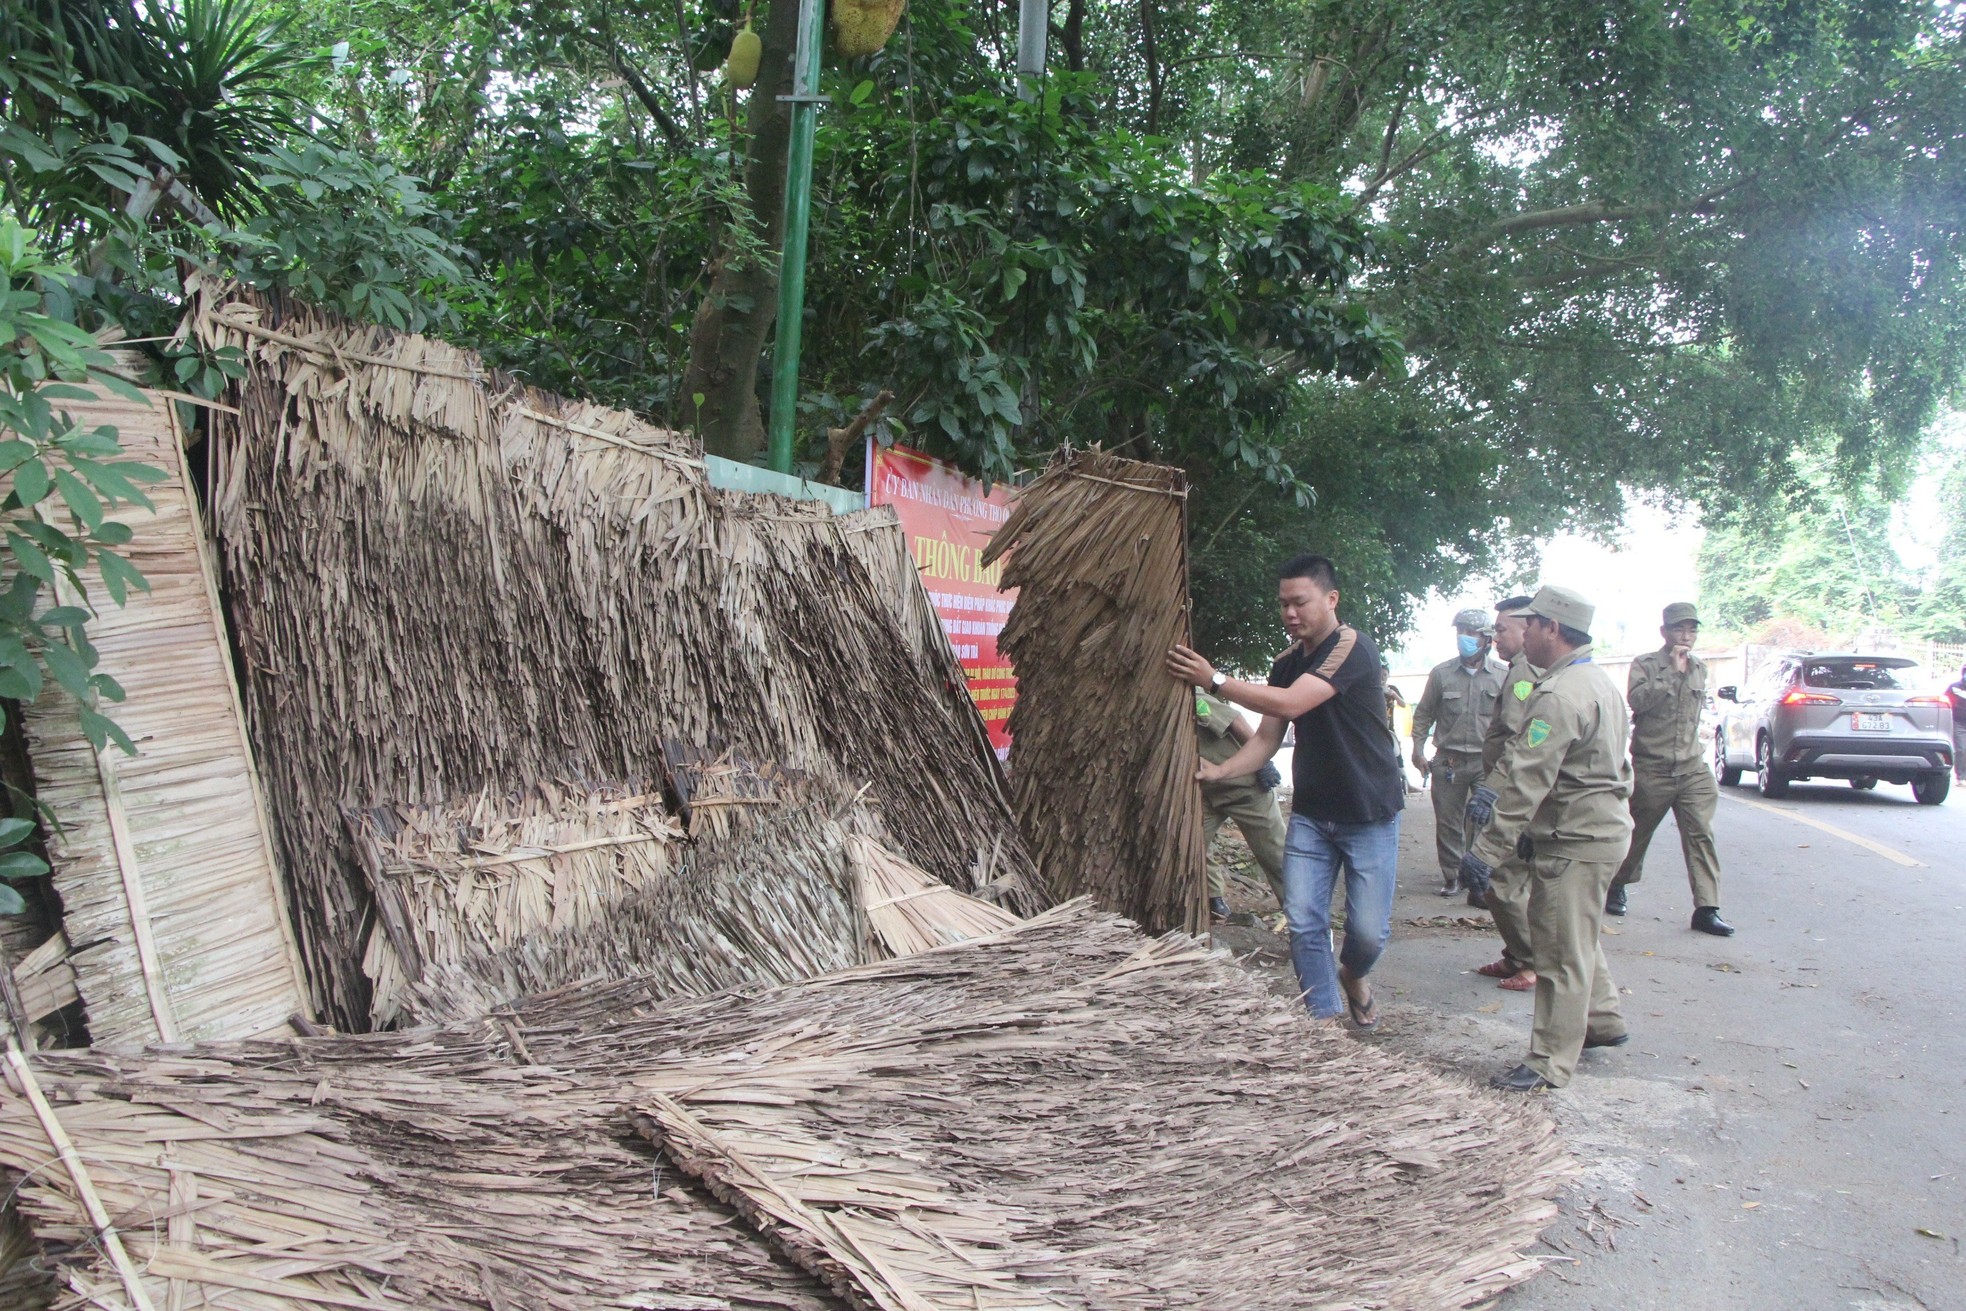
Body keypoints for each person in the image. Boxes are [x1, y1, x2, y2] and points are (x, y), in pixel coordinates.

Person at [1166, 554, 1405, 1029]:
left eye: (1300, 602)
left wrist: (1215, 681)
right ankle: (1323, 1025)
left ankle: (1354, 974)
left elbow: (1295, 701)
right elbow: (1267, 738)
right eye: (1283, 605)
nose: (1290, 613)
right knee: (1303, 920)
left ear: (1331, 599)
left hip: (1369, 813)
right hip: (1313, 816)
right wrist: (1222, 771)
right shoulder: (1285, 662)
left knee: (1368, 934)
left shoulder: (1352, 647)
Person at [1457, 585, 1633, 1092]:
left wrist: (1487, 851)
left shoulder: (1558, 696)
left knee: (1558, 951)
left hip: (1575, 838)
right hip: (1600, 830)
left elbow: (1526, 783)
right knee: (1578, 934)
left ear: (1552, 629)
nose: (1523, 632)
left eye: (1530, 624)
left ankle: (1549, 1060)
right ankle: (1602, 1021)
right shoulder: (1598, 682)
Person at [1605, 602, 1733, 937]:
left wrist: (1685, 671)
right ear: (1664, 632)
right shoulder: (1645, 664)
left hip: (1692, 768)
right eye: (1679, 629)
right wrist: (1671, 673)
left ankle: (1707, 908)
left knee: (1701, 834)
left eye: (1691, 630)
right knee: (1636, 834)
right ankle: (1618, 882)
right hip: (1653, 767)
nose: (1686, 636)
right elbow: (1638, 702)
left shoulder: (1700, 668)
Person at [1465, 596, 1540, 992]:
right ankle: (1516, 954)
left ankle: (1531, 962)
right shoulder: (1518, 670)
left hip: (1514, 791)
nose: (1495, 636)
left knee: (1503, 877)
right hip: (1508, 786)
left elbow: (1518, 741)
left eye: (1501, 629)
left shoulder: (1527, 673)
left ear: (1526, 630)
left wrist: (1491, 791)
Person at [1411, 608, 1508, 901]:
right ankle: (1453, 876)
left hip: (1486, 762)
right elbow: (1423, 715)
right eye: (1461, 631)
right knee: (1449, 822)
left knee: (1484, 819)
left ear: (1487, 639)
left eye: (1472, 632)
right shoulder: (1441, 674)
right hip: (1449, 761)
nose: (1464, 638)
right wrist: (1417, 750)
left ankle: (1478, 875)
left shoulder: (1504, 676)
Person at [1194, 689, 1289, 921]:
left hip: (1245, 788)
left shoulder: (1194, 699)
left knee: (1277, 856)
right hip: (1205, 792)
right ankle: (1213, 899)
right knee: (1191, 845)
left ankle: (1305, 918)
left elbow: (1233, 719)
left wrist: (1262, 762)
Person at [1949, 661, 1966, 782]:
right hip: (1959, 722)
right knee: (1961, 749)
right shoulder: (1955, 687)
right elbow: (1946, 703)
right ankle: (1961, 775)